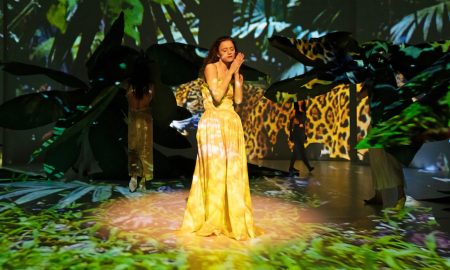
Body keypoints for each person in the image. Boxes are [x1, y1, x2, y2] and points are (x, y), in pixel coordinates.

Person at [181, 36, 258, 240]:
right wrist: (232, 71)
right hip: (214, 124)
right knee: (215, 172)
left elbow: (238, 100)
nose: (230, 52)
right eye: (225, 50)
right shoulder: (211, 68)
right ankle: (213, 217)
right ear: (217, 52)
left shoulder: (231, 71)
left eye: (232, 49)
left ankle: (230, 218)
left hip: (231, 122)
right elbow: (216, 95)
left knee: (232, 172)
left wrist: (237, 78)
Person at [126, 56, 154, 192]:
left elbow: (135, 103)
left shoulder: (130, 86)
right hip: (143, 119)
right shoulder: (148, 86)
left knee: (135, 148)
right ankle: (140, 178)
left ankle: (136, 177)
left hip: (137, 118)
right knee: (143, 149)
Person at [288, 102, 314, 176]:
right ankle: (309, 167)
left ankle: (291, 168)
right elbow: (290, 123)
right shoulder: (294, 111)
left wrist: (305, 134)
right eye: (299, 100)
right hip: (296, 133)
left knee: (295, 152)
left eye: (301, 100)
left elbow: (304, 124)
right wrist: (291, 134)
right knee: (301, 151)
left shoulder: (304, 111)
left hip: (301, 134)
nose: (300, 101)